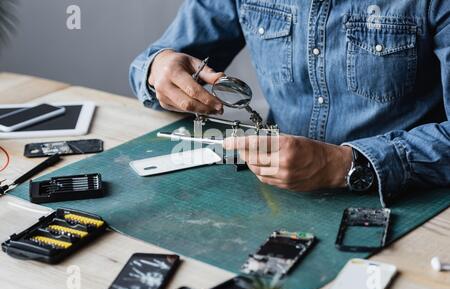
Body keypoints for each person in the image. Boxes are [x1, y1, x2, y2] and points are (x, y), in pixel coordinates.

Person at [129, 0, 450, 207]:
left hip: (410, 200)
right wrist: (158, 69)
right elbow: (149, 67)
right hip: (275, 191)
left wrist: (344, 163)